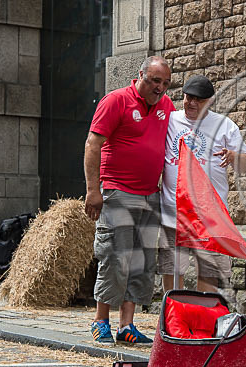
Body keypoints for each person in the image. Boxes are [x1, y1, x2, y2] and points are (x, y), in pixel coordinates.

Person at [83, 56, 174, 345]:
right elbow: (92, 144)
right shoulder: (116, 101)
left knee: (142, 261)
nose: (160, 88)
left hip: (151, 194)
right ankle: (101, 321)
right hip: (117, 191)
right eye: (155, 81)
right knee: (115, 256)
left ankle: (127, 325)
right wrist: (93, 190)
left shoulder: (166, 106)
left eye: (165, 83)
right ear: (140, 76)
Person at [159, 75, 246, 293]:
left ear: (209, 102)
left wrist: (233, 156)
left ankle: (205, 322)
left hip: (211, 217)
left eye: (198, 100)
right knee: (172, 273)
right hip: (174, 215)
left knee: (210, 275)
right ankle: (173, 320)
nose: (191, 103)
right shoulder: (169, 121)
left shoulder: (224, 125)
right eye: (188, 97)